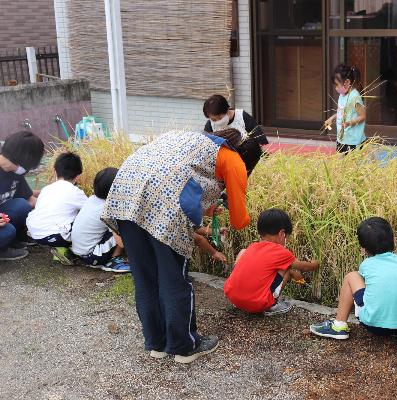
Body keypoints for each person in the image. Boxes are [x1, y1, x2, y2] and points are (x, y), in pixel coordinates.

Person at [102, 128, 259, 364]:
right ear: (248, 161)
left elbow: (178, 179)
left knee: (146, 277)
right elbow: (239, 220)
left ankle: (157, 343)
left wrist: (208, 206)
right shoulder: (233, 159)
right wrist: (232, 199)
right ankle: (184, 346)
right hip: (162, 207)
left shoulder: (190, 138)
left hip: (125, 195)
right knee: (173, 278)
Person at [310, 217, 397, 339]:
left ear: (363, 249)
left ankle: (339, 325)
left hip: (374, 326)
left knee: (351, 276)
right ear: (394, 240)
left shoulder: (366, 265)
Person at [223, 208, 319, 316]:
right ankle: (272, 306)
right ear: (282, 233)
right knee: (285, 267)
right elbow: (304, 267)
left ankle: (240, 295)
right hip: (257, 304)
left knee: (242, 251)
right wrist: (316, 263)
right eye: (286, 236)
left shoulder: (252, 247)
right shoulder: (281, 252)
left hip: (233, 298)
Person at [26, 152, 87, 265]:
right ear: (78, 176)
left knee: (59, 219)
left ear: (55, 171)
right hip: (55, 235)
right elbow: (90, 212)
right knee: (84, 221)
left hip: (35, 233)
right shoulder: (75, 192)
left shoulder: (46, 189)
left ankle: (59, 251)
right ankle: (67, 249)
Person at [70, 168, 129, 273]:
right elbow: (122, 243)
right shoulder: (108, 209)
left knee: (114, 227)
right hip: (92, 256)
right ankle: (114, 260)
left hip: (79, 250)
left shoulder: (92, 199)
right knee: (125, 228)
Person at [0, 131, 44, 260]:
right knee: (7, 232)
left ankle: (13, 240)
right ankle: (2, 249)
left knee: (22, 205)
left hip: (3, 215)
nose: (27, 171)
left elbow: (30, 198)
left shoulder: (15, 173)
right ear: (21, 160)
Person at [323, 64, 367, 153]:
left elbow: (362, 116)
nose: (336, 88)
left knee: (352, 165)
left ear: (347, 82)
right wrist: (331, 118)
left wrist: (350, 123)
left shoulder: (354, 96)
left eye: (337, 85)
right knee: (341, 163)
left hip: (353, 140)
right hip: (342, 138)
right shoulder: (342, 95)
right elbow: (341, 112)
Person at [203, 94, 268, 146]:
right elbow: (205, 144)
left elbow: (261, 140)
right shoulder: (210, 125)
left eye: (220, 118)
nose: (217, 122)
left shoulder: (242, 117)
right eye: (213, 119)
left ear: (227, 110)